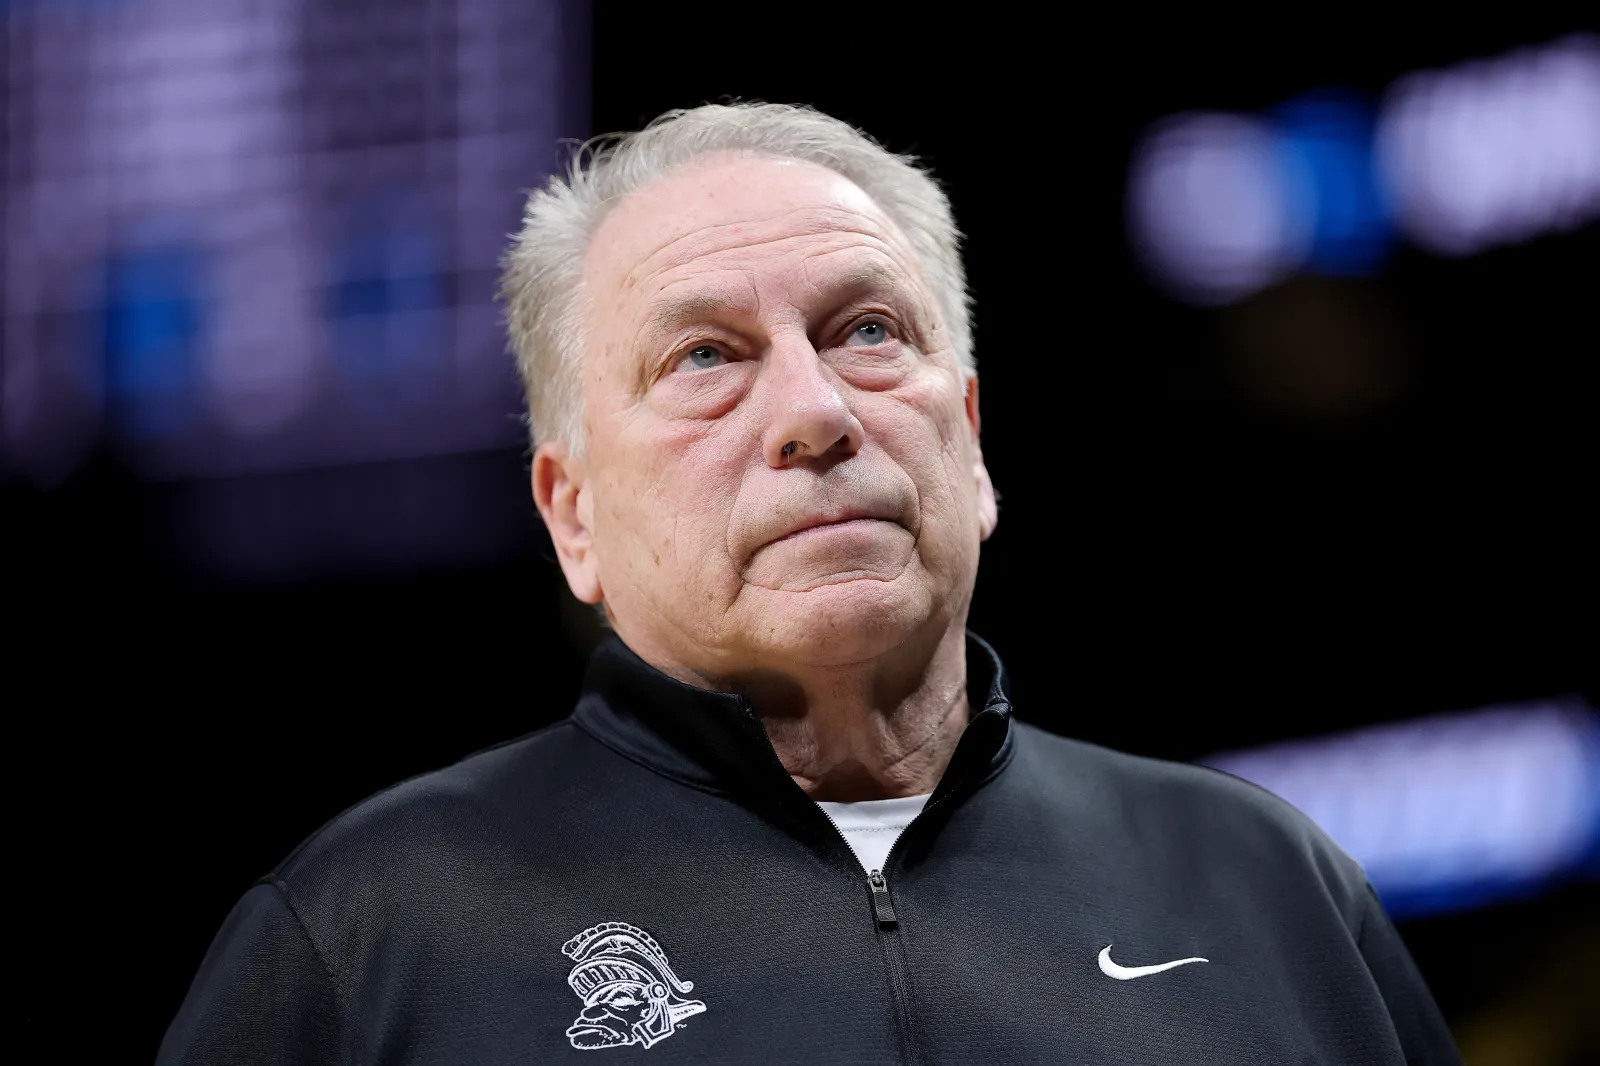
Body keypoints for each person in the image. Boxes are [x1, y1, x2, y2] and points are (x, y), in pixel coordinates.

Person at [158, 103, 1462, 1064]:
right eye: (706, 356)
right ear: (575, 516)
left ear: (972, 440)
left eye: (868, 330)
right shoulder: (360, 942)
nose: (814, 411)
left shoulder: (1269, 885)